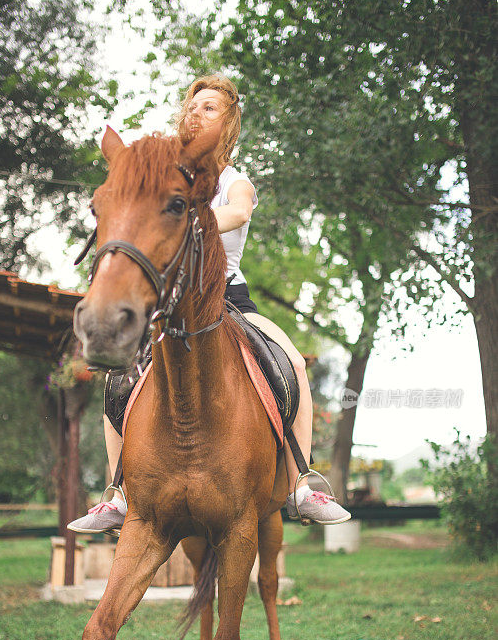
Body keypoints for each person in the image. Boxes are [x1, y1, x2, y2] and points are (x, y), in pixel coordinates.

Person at [69, 74, 350, 533]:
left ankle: (303, 482)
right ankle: (117, 492)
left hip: (228, 294)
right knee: (120, 378)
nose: (197, 113)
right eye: (194, 105)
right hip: (176, 299)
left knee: (295, 364)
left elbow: (238, 213)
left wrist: (184, 220)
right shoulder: (169, 176)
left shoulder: (237, 180)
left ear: (229, 121)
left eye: (210, 108)